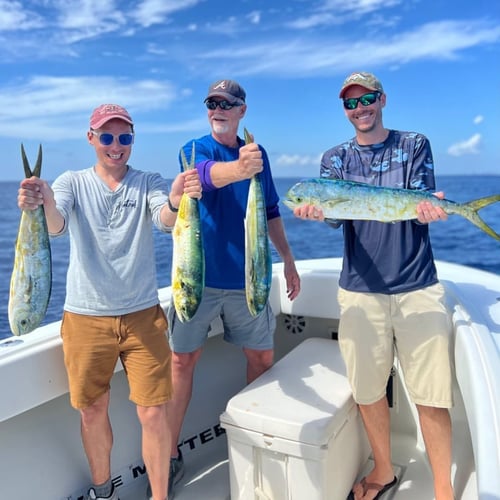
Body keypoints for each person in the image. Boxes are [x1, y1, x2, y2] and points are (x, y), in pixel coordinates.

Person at [17, 104, 202, 500]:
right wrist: (43, 200)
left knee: (154, 412)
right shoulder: (72, 181)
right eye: (106, 137)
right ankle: (104, 493)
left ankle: (159, 496)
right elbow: (56, 226)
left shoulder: (149, 180)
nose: (115, 146)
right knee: (92, 411)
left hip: (143, 318)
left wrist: (174, 200)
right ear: (91, 138)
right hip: (86, 319)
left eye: (124, 138)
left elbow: (166, 220)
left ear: (132, 140)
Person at [292, 72, 454, 500]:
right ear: (344, 110)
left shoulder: (414, 144)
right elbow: (334, 213)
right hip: (361, 289)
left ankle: (443, 489)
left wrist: (428, 212)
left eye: (366, 99)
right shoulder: (335, 159)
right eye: (350, 103)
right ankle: (383, 470)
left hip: (417, 283)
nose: (359, 108)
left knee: (432, 394)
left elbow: (420, 202)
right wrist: (314, 213)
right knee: (367, 390)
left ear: (382, 100)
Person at [165, 79, 301, 498]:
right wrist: (240, 169)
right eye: (211, 103)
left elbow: (271, 210)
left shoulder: (258, 158)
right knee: (181, 363)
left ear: (242, 110)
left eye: (227, 103)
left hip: (249, 281)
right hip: (197, 280)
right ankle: (168, 452)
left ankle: (248, 436)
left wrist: (289, 259)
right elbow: (205, 178)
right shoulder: (195, 149)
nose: (218, 108)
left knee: (261, 357)